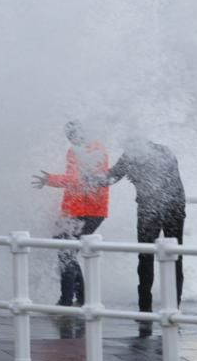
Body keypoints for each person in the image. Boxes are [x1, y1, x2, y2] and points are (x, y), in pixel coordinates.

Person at [96, 140, 187, 313]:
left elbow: (110, 178)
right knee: (175, 257)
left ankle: (145, 308)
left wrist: (88, 178)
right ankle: (174, 306)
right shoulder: (164, 149)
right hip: (176, 207)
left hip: (150, 209)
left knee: (146, 257)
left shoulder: (131, 153)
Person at [32, 121, 109, 306]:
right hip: (93, 210)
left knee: (66, 252)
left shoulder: (81, 151)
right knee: (68, 252)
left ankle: (66, 300)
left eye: (71, 135)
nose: (70, 139)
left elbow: (76, 179)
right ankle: (81, 298)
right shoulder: (98, 148)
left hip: (82, 210)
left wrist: (50, 179)